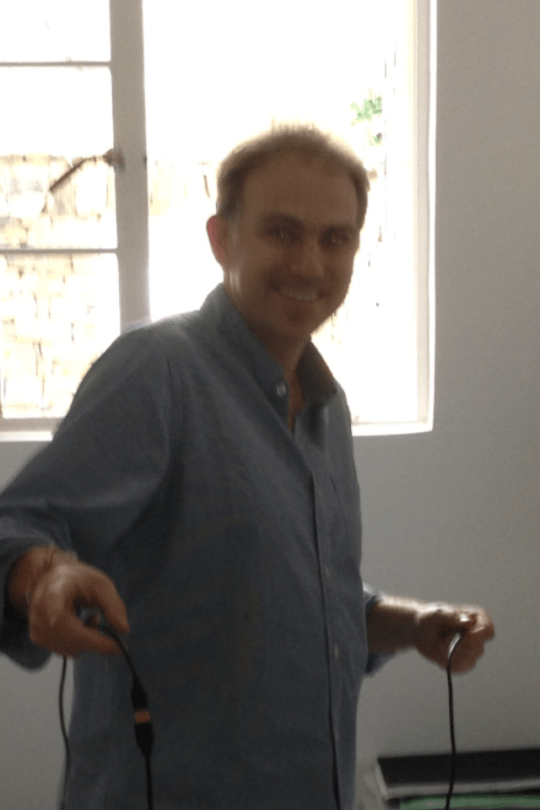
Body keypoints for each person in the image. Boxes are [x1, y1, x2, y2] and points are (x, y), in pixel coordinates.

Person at [0, 124, 494, 810]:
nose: (310, 265)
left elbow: (304, 598)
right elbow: (18, 523)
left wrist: (412, 625)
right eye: (282, 232)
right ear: (222, 240)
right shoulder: (159, 370)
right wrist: (44, 573)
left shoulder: (324, 408)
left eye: (335, 238)